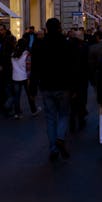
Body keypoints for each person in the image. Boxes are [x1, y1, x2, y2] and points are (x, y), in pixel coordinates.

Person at [31, 18, 78, 161]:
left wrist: (32, 88)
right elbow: (73, 67)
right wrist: (74, 87)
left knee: (50, 118)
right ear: (59, 28)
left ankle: (53, 148)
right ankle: (60, 137)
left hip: (46, 85)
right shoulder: (67, 44)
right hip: (64, 86)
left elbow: (35, 68)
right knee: (64, 114)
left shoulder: (40, 45)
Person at [8, 37, 35, 118]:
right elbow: (28, 67)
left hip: (15, 76)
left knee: (17, 96)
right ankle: (33, 110)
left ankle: (17, 113)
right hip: (25, 77)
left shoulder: (13, 54)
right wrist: (29, 78)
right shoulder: (27, 54)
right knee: (29, 94)